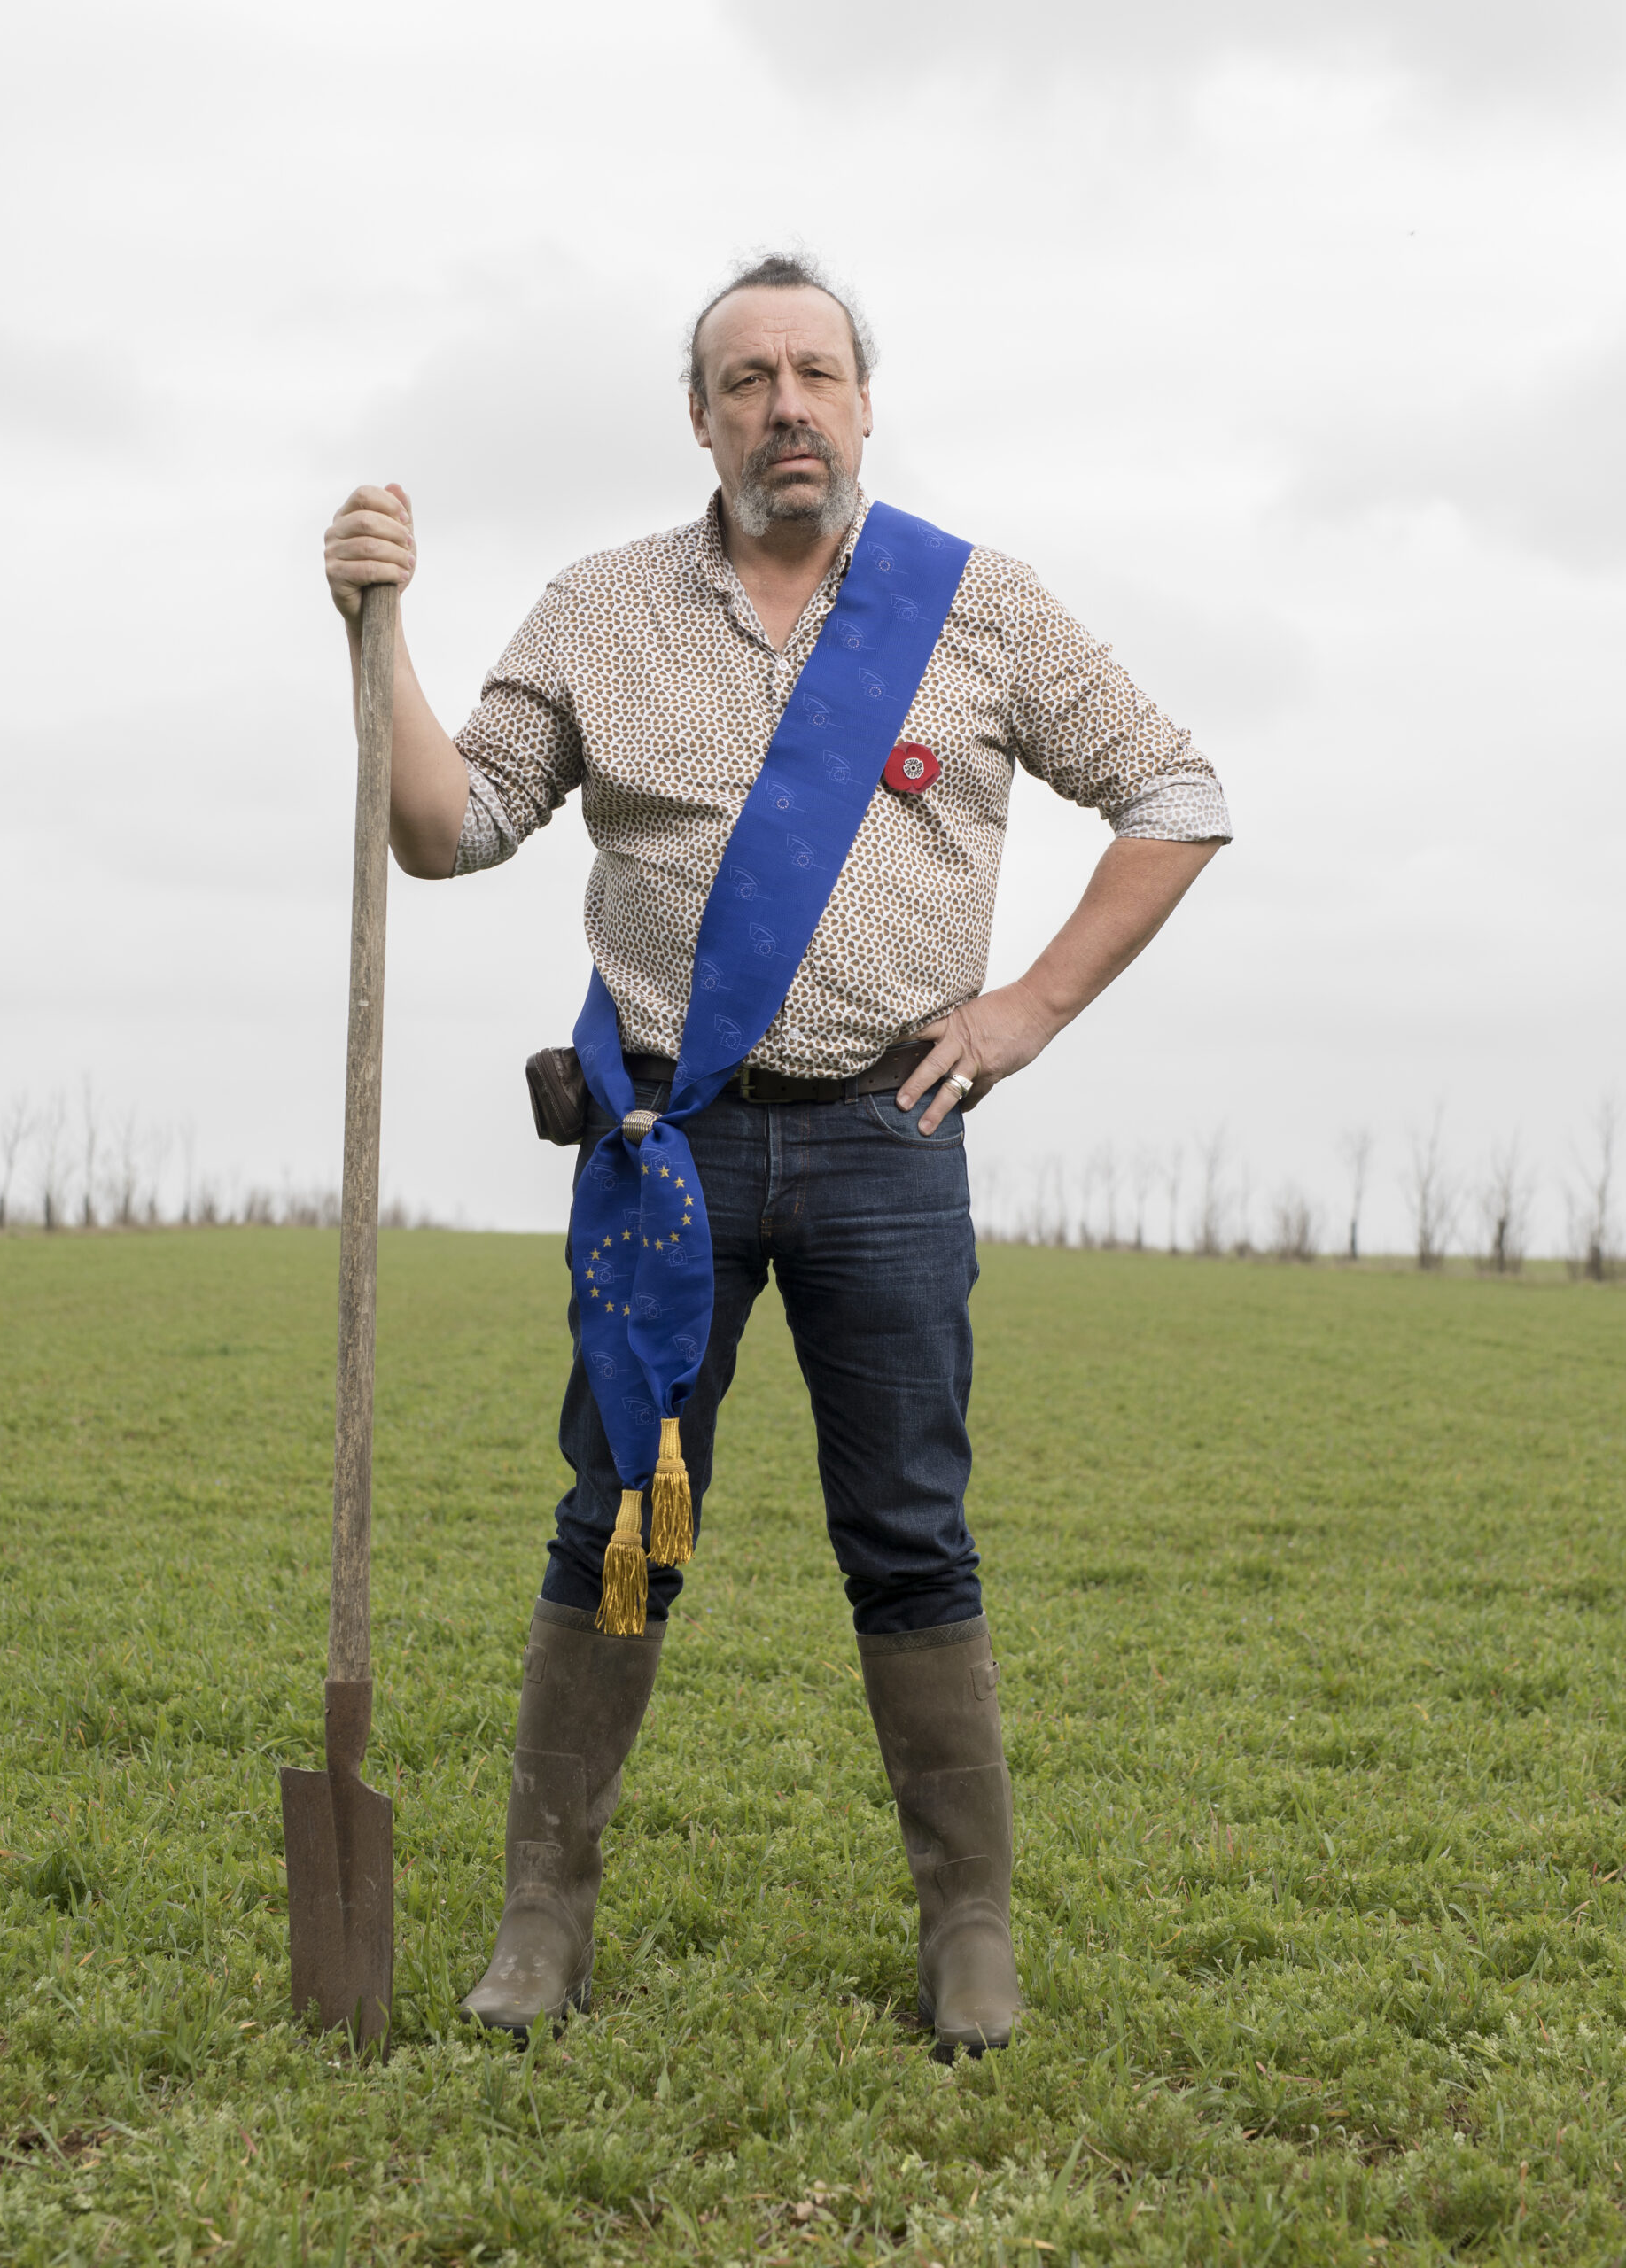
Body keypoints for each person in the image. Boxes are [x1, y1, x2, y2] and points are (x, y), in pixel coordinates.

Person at [323, 253, 1230, 2055]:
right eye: (747, 379)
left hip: (889, 1149)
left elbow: (1178, 793)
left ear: (866, 402)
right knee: (633, 1526)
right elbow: (450, 827)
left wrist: (1029, 1009)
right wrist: (377, 631)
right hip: (668, 1167)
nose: (785, 404)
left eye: (817, 371)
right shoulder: (597, 607)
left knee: (907, 1528)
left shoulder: (974, 605)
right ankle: (542, 1917)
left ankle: (970, 1926)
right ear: (702, 417)